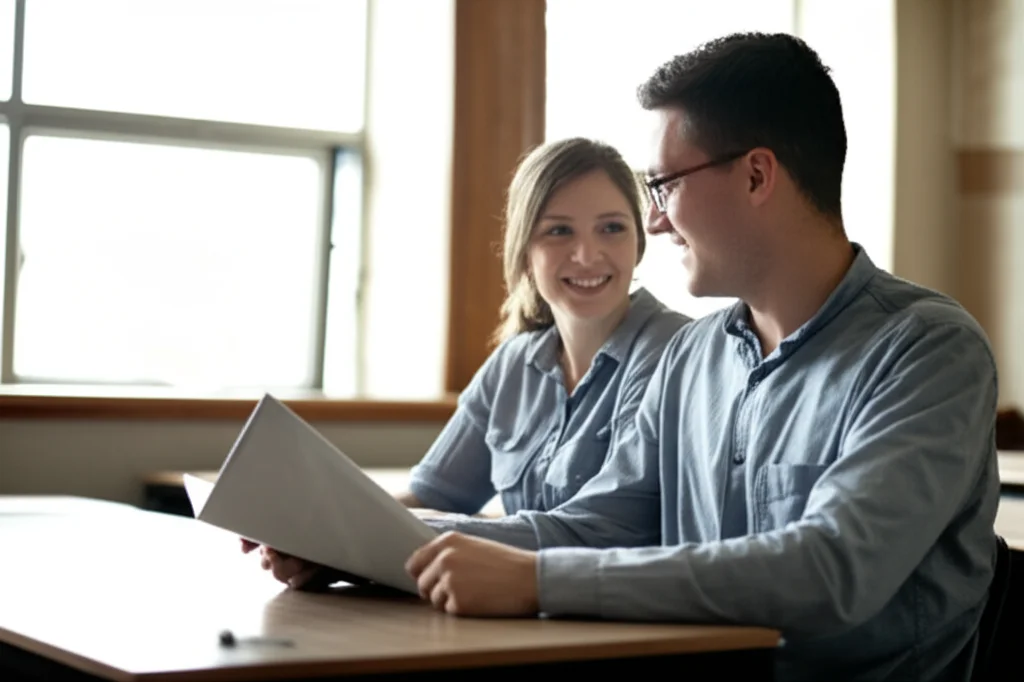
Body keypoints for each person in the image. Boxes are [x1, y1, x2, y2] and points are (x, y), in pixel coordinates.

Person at [398, 33, 1001, 682]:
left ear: (756, 175)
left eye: (663, 186)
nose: (653, 222)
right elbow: (600, 526)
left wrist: (538, 582)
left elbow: (829, 569)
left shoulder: (928, 350)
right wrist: (383, 553)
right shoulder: (691, 356)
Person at [243, 138, 690, 583]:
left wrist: (351, 540)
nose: (588, 255)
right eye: (559, 231)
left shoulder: (675, 351)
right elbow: (430, 494)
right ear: (524, 250)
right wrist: (314, 533)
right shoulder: (512, 365)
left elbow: (598, 534)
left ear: (639, 239)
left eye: (612, 228)